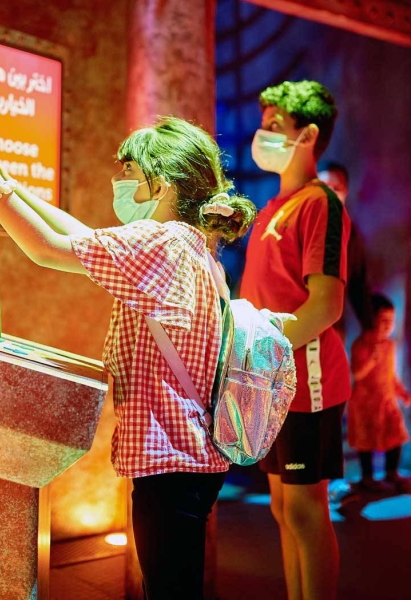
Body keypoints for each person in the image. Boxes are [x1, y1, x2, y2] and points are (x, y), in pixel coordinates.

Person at [0, 116, 257, 600]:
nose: (119, 179)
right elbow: (84, 235)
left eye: (129, 168)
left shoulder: (160, 241)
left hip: (170, 462)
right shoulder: (193, 246)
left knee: (169, 591)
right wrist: (5, 181)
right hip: (192, 457)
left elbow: (47, 250)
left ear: (161, 181)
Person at [240, 80, 351, 600]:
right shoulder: (272, 206)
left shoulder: (320, 203)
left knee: (306, 508)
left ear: (307, 135)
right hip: (271, 381)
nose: (263, 134)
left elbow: (325, 304)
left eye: (274, 126)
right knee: (285, 508)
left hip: (307, 382)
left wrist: (268, 344)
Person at [347, 293, 411, 493]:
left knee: (397, 434)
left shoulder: (390, 346)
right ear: (371, 320)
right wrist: (371, 361)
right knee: (366, 441)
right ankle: (367, 477)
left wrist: (402, 393)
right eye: (383, 320)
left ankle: (391, 472)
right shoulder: (361, 344)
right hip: (365, 404)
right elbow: (356, 374)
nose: (388, 325)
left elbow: (390, 375)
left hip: (386, 399)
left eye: (391, 321)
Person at [317, 161, 373, 338]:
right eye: (324, 186)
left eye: (337, 188)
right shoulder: (292, 224)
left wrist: (369, 327)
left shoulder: (351, 235)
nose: (330, 193)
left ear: (346, 192)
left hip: (331, 330)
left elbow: (358, 283)